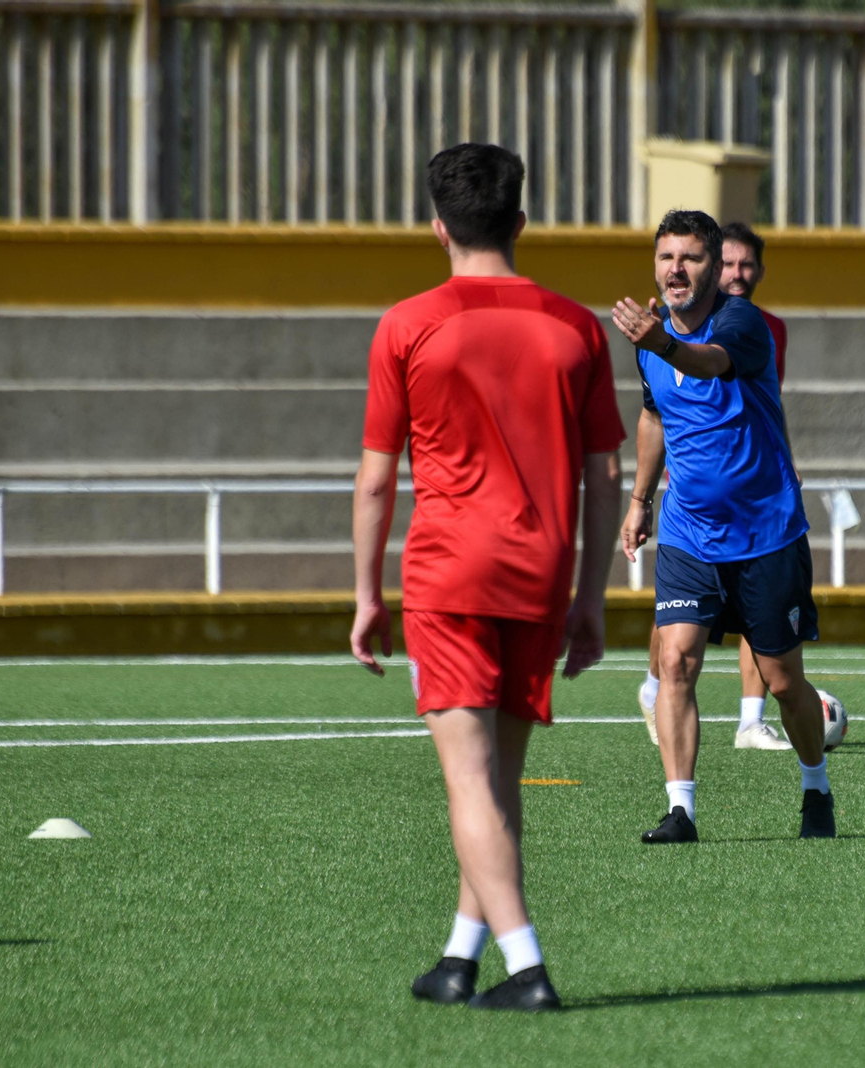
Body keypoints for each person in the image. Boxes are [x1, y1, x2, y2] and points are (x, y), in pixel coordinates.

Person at [352, 143, 625, 1011]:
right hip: (541, 573)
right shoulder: (576, 326)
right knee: (499, 781)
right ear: (521, 221)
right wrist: (590, 599)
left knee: (470, 782)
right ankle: (459, 959)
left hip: (451, 573)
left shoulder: (407, 324)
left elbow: (375, 480)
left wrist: (365, 596)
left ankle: (528, 967)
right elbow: (605, 476)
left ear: (438, 227)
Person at [612, 209, 836, 844]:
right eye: (666, 257)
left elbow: (709, 363)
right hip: (688, 531)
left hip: (766, 533)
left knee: (784, 682)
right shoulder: (652, 336)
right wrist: (639, 500)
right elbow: (654, 416)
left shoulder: (742, 323)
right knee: (676, 661)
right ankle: (680, 810)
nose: (676, 269)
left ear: (714, 268)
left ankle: (816, 787)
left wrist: (659, 342)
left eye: (691, 257)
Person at [635, 221, 793, 752]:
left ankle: (754, 723)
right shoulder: (660, 329)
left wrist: (785, 461)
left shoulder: (756, 325)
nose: (737, 274)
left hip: (756, 506)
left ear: (761, 271)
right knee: (678, 638)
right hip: (691, 505)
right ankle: (656, 692)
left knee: (769, 646)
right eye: (728, 264)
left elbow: (758, 398)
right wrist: (640, 500)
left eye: (746, 265)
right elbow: (654, 413)